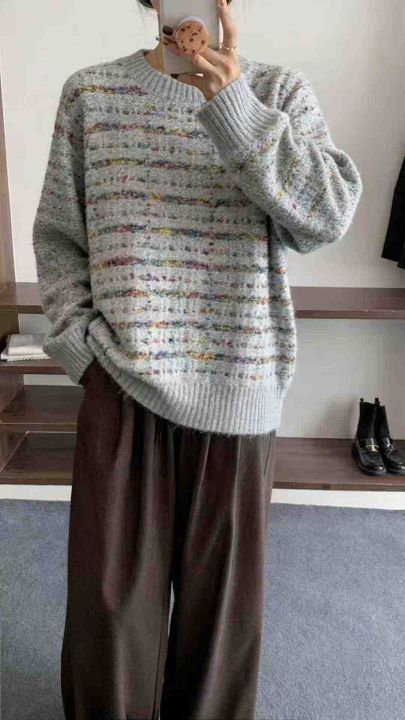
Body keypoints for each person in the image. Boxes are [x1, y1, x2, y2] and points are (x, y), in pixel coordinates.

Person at [32, 0, 363, 717]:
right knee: (109, 609)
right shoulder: (91, 93)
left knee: (219, 621)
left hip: (238, 384)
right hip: (120, 380)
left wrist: (233, 105)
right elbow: (59, 236)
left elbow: (325, 216)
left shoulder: (275, 93)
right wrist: (80, 347)